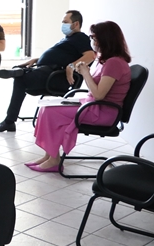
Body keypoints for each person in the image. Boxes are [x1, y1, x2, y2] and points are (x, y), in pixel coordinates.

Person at [26, 21, 132, 172]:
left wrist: (85, 72)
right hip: (94, 106)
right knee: (46, 107)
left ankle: (54, 160)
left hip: (103, 113)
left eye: (94, 38)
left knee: (50, 112)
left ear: (105, 39)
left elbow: (99, 94)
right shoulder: (108, 60)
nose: (93, 41)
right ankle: (50, 155)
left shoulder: (114, 63)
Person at [0, 10, 96, 132]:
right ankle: (20, 72)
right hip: (47, 72)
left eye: (66, 22)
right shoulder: (69, 39)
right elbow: (60, 57)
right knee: (21, 79)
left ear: (76, 24)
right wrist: (36, 59)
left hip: (56, 77)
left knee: (21, 80)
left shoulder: (80, 38)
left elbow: (91, 55)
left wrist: (70, 66)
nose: (63, 25)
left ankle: (10, 119)